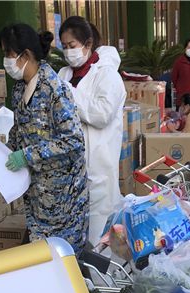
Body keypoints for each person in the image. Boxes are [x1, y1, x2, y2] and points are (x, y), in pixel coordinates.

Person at [0, 24, 89, 255]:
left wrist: (27, 155)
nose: (6, 61)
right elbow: (19, 129)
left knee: (64, 258)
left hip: (64, 196)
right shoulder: (20, 89)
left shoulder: (54, 89)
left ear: (26, 55)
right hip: (37, 193)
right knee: (42, 255)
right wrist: (2, 158)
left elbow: (74, 140)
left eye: (8, 54)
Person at [58, 17, 126, 245]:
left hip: (98, 169)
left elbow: (101, 114)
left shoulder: (107, 76)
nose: (69, 52)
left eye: (72, 45)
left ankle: (100, 269)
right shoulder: (63, 75)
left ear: (87, 44)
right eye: (64, 46)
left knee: (99, 237)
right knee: (71, 237)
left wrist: (68, 94)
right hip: (69, 169)